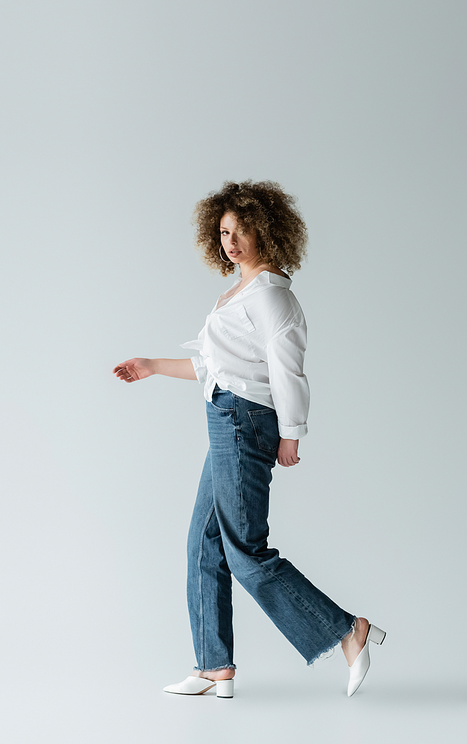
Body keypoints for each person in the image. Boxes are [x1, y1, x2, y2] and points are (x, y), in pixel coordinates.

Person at [113, 180, 385, 699]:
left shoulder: (271, 294)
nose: (230, 241)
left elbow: (288, 368)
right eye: (223, 232)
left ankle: (348, 630)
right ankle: (214, 665)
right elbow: (212, 366)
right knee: (203, 544)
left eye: (241, 230)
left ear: (267, 229)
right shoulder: (235, 293)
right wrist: (149, 366)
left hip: (245, 420)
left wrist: (291, 433)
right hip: (225, 415)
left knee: (245, 551)